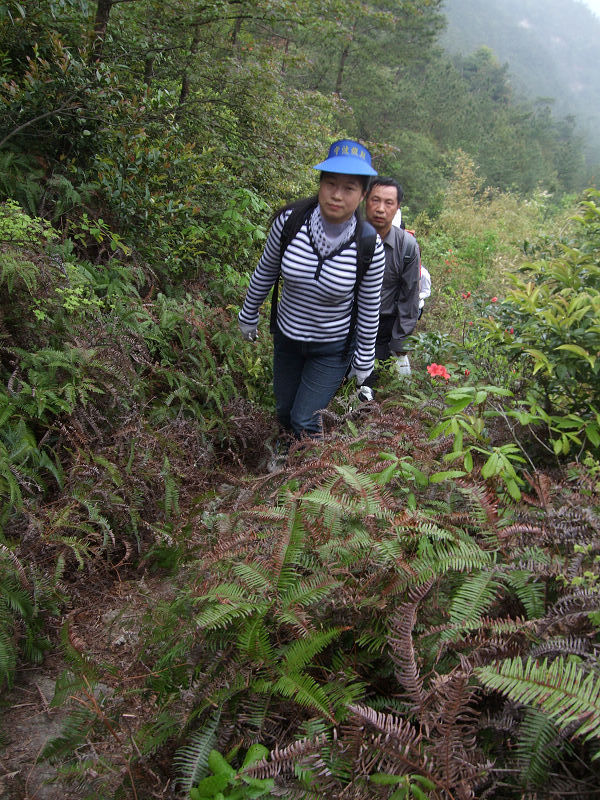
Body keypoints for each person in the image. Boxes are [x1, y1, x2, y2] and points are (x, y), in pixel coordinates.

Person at [238, 139, 386, 443]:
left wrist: (364, 362)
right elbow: (266, 270)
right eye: (330, 183)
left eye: (349, 188)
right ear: (319, 184)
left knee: (305, 418)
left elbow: (370, 308)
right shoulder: (290, 223)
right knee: (284, 410)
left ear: (362, 195)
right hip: (287, 338)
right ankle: (285, 454)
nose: (336, 194)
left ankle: (308, 478)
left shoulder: (369, 246)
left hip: (331, 348)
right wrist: (248, 313)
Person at [361, 177, 420, 391]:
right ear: (364, 201)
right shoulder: (347, 235)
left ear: (397, 208)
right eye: (375, 200)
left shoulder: (407, 247)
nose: (380, 209)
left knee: (368, 388)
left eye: (389, 203)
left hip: (381, 328)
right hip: (342, 323)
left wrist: (400, 344)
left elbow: (410, 296)